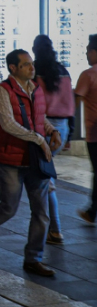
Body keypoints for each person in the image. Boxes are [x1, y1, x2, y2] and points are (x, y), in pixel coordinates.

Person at [0, 49, 63, 277]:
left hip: (36, 161)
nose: (32, 68)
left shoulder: (36, 89)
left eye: (32, 64)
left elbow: (38, 119)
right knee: (9, 207)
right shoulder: (2, 91)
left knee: (41, 213)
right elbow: (8, 124)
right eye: (26, 65)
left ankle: (33, 259)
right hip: (11, 159)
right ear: (13, 68)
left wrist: (51, 131)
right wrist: (39, 139)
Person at [32, 34, 75, 244]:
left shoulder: (34, 72)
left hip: (44, 127)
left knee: (44, 180)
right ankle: (52, 229)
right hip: (63, 127)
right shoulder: (63, 71)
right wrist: (70, 135)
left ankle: (55, 229)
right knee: (44, 176)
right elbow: (71, 104)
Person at [76, 34, 97, 225]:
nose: (86, 55)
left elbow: (76, 100)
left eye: (88, 51)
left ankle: (92, 211)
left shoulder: (88, 75)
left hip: (94, 133)